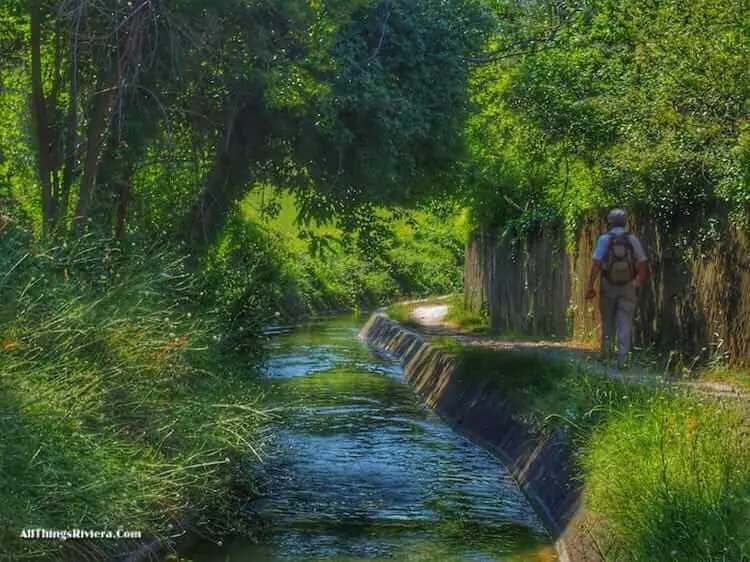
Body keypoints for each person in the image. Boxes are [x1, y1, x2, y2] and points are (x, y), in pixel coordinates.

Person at [585, 208, 647, 369]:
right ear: (625, 222)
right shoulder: (632, 239)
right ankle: (623, 360)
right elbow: (641, 264)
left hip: (608, 285)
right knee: (625, 322)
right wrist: (636, 283)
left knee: (608, 321)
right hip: (628, 287)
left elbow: (597, 264)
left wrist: (590, 286)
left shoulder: (604, 239)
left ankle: (606, 356)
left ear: (609, 222)